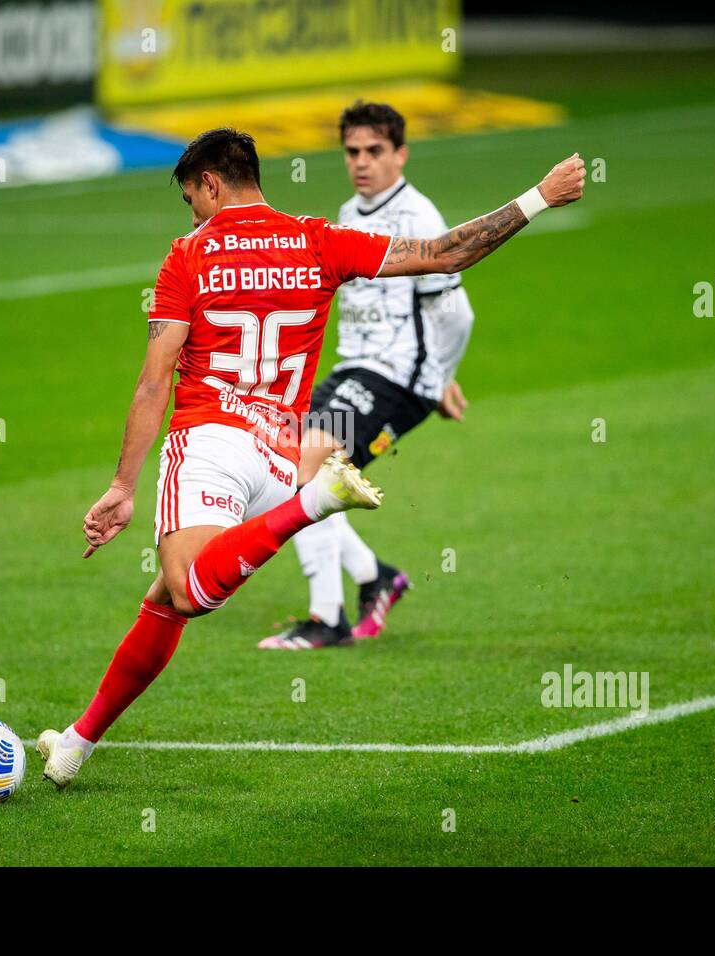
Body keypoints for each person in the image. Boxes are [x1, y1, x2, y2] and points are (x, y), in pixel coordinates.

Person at [36, 127, 585, 788]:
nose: (192, 215)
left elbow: (155, 380)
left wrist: (123, 484)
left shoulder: (188, 254)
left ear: (210, 182)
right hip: (279, 451)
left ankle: (316, 502)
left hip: (212, 439)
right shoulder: (315, 239)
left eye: (192, 199)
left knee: (188, 588)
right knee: (165, 598)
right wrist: (539, 197)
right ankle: (77, 741)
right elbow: (446, 254)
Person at [260, 100, 477, 650]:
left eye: (374, 151)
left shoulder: (419, 219)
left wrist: (435, 380)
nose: (362, 162)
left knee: (304, 462)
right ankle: (372, 577)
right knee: (288, 469)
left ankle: (326, 619)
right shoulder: (350, 214)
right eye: (353, 151)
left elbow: (457, 313)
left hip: (395, 381)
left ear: (400, 154)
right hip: (358, 370)